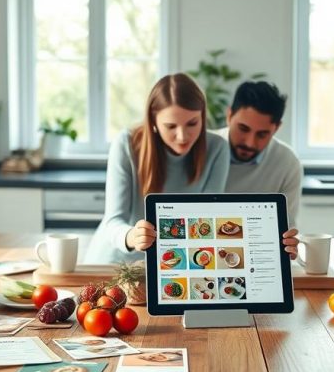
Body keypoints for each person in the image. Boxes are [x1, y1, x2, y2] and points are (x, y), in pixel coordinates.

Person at [85, 73, 230, 263]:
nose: (182, 136)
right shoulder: (126, 144)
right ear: (153, 121)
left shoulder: (217, 148)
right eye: (171, 126)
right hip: (116, 263)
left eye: (192, 123)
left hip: (175, 264)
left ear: (203, 116)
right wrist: (132, 236)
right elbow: (113, 221)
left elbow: (208, 217)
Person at [215, 81, 303, 227]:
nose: (250, 143)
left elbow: (286, 227)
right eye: (243, 129)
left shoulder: (288, 163)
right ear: (229, 116)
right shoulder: (203, 150)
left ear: (276, 128)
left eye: (262, 134)